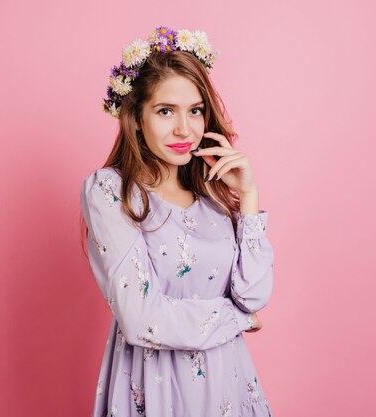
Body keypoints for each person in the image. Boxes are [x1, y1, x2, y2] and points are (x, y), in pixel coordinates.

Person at [80, 26, 275, 417]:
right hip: (155, 386)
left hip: (229, 383)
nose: (185, 129)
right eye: (166, 111)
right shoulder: (112, 191)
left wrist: (249, 199)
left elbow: (253, 295)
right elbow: (140, 318)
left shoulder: (214, 197)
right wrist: (236, 318)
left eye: (195, 111)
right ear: (136, 117)